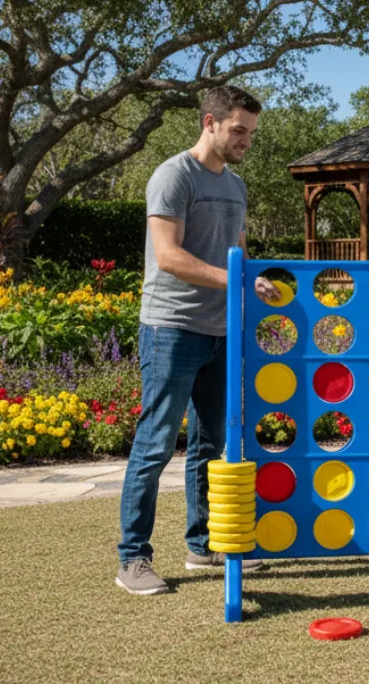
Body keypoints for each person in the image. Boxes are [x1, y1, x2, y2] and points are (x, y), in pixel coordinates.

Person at [116, 85, 279, 595]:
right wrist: (236, 280)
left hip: (221, 331)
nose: (245, 141)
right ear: (209, 123)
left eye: (251, 132)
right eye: (238, 130)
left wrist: (255, 288)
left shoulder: (235, 185)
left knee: (214, 443)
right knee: (155, 444)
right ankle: (132, 560)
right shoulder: (172, 176)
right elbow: (168, 256)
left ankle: (203, 545)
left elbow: (237, 255)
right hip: (171, 328)